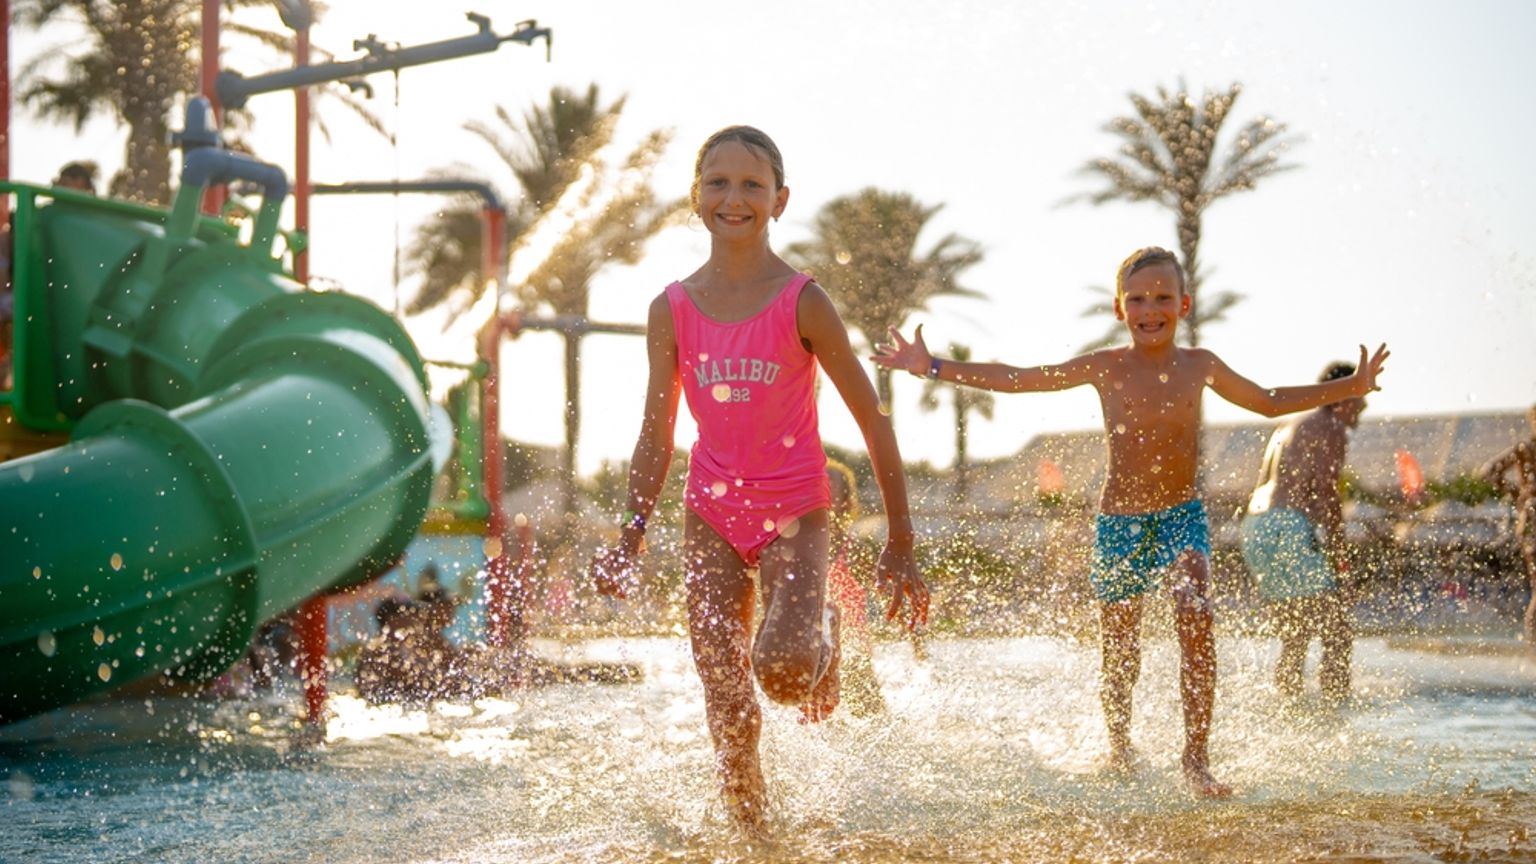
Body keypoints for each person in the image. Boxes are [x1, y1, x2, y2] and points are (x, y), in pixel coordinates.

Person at [874, 246, 1388, 797]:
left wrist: (1349, 387)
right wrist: (931, 366)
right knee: (1120, 650)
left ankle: (1196, 759)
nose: (1151, 308)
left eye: (1163, 297)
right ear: (1120, 309)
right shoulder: (1106, 366)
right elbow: (1022, 378)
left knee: (1196, 615)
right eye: (1138, 299)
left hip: (1181, 517)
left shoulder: (1201, 366)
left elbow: (1265, 401)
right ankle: (1119, 745)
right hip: (1119, 523)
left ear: (1184, 304)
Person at [589, 125, 928, 831]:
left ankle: (822, 631)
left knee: (778, 671)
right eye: (718, 182)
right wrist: (631, 532)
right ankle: (756, 837)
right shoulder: (672, 309)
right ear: (695, 197)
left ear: (780, 200)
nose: (733, 197)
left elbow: (872, 418)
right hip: (708, 512)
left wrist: (900, 536)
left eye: (751, 184)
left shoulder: (801, 300)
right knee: (727, 699)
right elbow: (657, 433)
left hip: (796, 510)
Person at [1240, 362, 1367, 705]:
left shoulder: (1290, 424)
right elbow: (1328, 494)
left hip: (1255, 527)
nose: (1364, 407)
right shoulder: (1331, 428)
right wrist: (1342, 562)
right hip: (1288, 527)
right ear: (1343, 397)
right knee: (1338, 630)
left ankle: (1290, 708)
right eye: (1360, 398)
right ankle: (1336, 710)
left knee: (1296, 633)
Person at [824, 457, 888, 717]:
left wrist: (916, 644)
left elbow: (884, 593)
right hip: (815, 651)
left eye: (831, 490)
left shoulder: (855, 552)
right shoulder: (794, 550)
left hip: (853, 652)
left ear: (847, 503)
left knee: (873, 719)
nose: (823, 495)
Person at [1481, 403, 1536, 646]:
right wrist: (1521, 493)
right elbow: (1489, 471)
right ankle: (1533, 645)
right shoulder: (1526, 448)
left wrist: (1519, 493)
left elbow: (1490, 471)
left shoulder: (1525, 448)